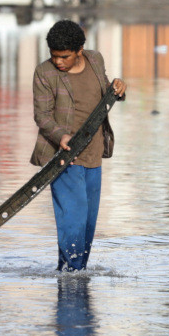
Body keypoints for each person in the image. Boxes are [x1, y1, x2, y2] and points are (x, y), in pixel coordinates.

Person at [31, 19, 127, 272]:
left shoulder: (95, 60)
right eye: (54, 56)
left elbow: (105, 91)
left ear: (80, 50)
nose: (58, 62)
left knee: (87, 225)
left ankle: (72, 273)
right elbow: (42, 116)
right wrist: (61, 135)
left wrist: (118, 87)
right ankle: (73, 276)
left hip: (94, 155)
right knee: (72, 221)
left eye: (64, 56)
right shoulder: (44, 73)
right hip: (64, 158)